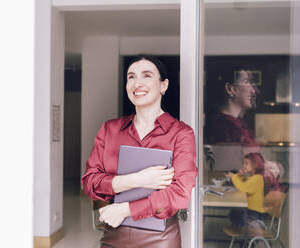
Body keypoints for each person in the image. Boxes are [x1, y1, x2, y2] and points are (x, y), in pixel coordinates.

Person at [81, 55, 198, 248]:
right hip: (113, 236)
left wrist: (125, 210)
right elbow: (90, 183)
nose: (137, 83)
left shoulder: (181, 134)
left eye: (146, 75)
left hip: (160, 240)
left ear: (163, 85)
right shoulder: (109, 130)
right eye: (131, 77)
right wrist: (137, 180)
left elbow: (180, 193)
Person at [205, 63, 281, 193]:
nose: (254, 90)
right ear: (231, 89)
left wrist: (274, 168)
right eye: (247, 82)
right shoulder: (223, 128)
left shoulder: (237, 125)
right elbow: (236, 176)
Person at [225, 153, 268, 227]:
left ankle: (252, 228)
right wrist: (239, 175)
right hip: (252, 209)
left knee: (234, 213)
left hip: (255, 212)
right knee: (234, 212)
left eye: (246, 163)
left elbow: (243, 188)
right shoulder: (253, 177)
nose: (243, 166)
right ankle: (239, 230)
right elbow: (242, 184)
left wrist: (233, 177)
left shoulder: (257, 179)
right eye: (243, 163)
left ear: (255, 165)